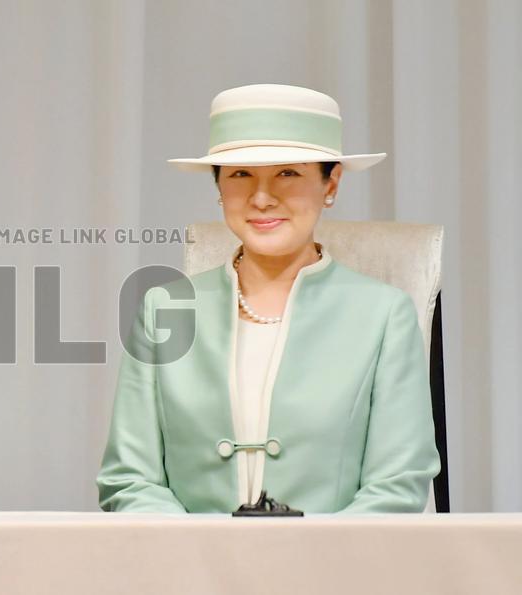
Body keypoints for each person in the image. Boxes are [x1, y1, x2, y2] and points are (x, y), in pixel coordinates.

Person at [97, 84, 440, 513]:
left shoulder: (384, 315)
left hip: (335, 557)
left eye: (288, 173)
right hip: (188, 557)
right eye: (241, 174)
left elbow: (396, 486)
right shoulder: (164, 309)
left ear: (331, 183)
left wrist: (307, 553)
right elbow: (129, 480)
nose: (261, 198)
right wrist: (198, 550)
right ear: (218, 185)